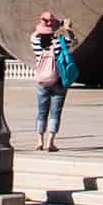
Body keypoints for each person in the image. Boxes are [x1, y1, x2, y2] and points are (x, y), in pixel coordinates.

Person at [30, 12, 74, 151]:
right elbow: (72, 39)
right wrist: (65, 27)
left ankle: (39, 140)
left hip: (42, 82)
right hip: (58, 81)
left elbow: (32, 37)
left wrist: (43, 26)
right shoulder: (60, 44)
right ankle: (50, 141)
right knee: (55, 112)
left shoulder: (37, 45)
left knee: (41, 112)